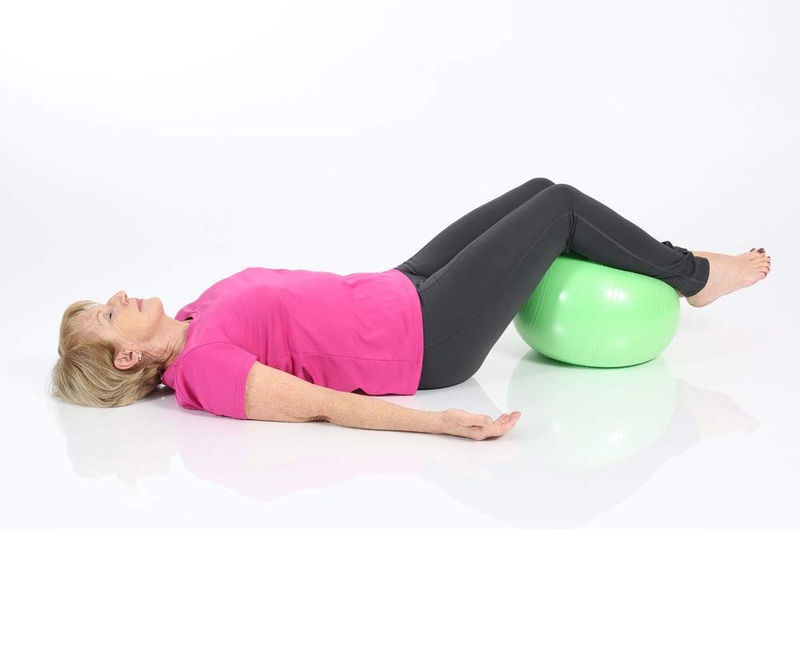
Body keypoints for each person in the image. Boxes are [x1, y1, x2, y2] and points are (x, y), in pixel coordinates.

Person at [49, 177, 771, 441]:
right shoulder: (204, 369)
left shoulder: (193, 315)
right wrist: (440, 425)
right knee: (560, 209)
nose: (118, 299)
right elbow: (321, 407)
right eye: (108, 316)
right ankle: (697, 276)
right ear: (128, 357)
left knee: (538, 188)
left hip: (405, 286)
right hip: (429, 340)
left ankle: (687, 271)